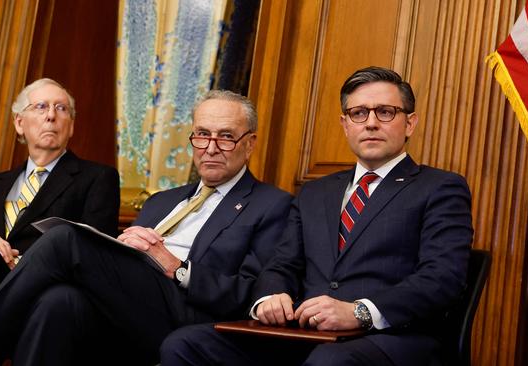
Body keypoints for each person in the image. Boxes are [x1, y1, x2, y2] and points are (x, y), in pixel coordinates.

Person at [159, 66, 474, 366]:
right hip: (306, 334)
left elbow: (441, 278)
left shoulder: (440, 187)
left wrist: (360, 312)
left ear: (410, 123)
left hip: (391, 338)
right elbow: (283, 264)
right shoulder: (315, 193)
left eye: (386, 112)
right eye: (359, 113)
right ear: (345, 123)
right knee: (185, 344)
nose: (371, 123)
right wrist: (270, 296)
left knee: (329, 362)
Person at [0, 90, 291, 366]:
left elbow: (251, 293)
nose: (211, 147)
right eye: (202, 134)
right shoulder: (161, 200)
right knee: (59, 300)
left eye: (226, 137)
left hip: (189, 314)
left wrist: (176, 268)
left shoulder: (272, 204)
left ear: (250, 144)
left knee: (65, 238)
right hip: (130, 305)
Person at [0, 78, 120, 332]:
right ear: (19, 123)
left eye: (62, 108)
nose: (51, 116)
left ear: (71, 126)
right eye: (41, 106)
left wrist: (20, 264)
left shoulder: (98, 178)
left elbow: (93, 254)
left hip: (41, 294)